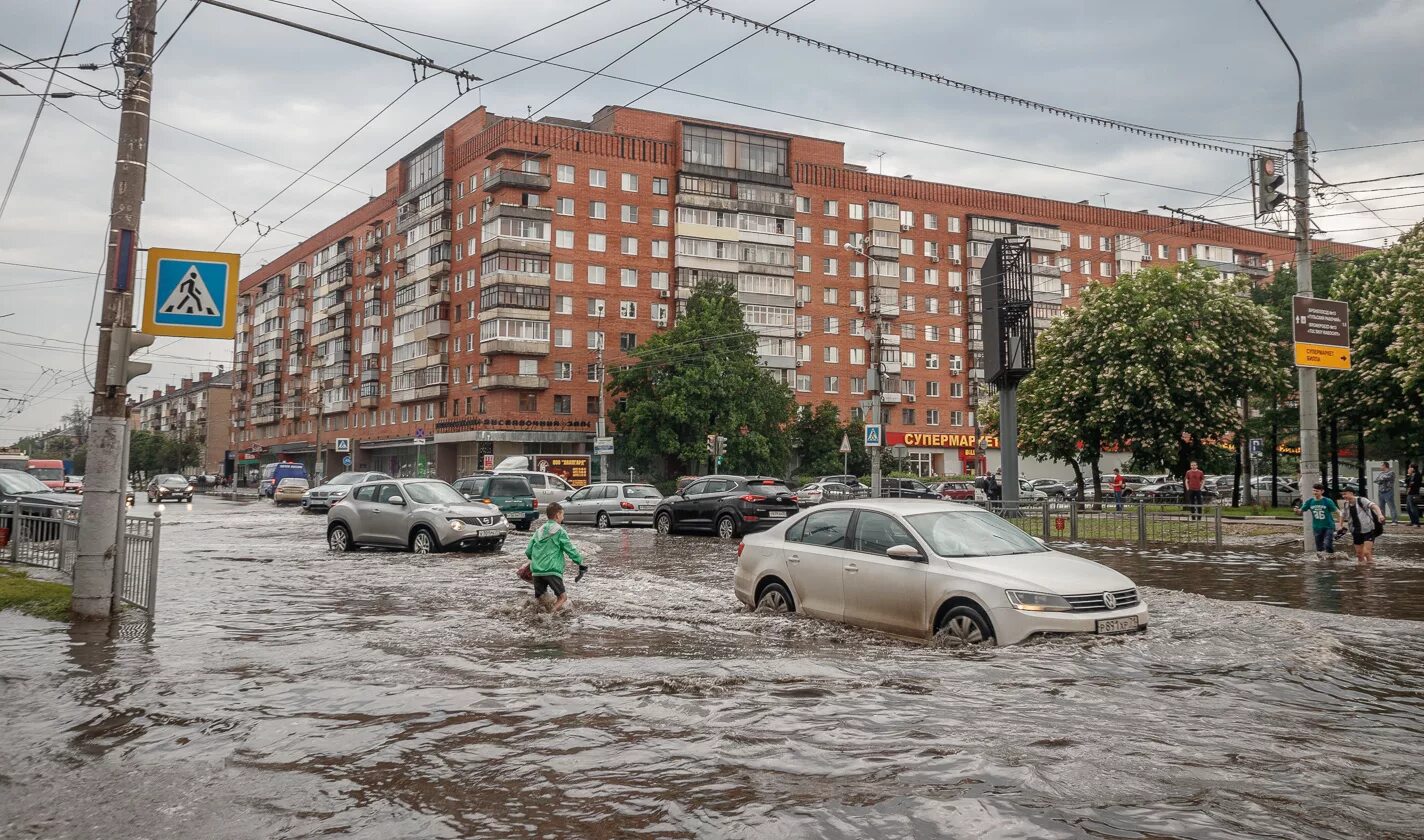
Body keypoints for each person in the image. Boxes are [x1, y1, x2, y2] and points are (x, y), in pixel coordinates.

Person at [524, 502, 587, 612]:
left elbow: (528, 551)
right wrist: (580, 561)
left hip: (537, 572)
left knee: (540, 600)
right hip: (552, 570)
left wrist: (536, 561)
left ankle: (538, 616)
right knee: (562, 597)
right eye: (562, 515)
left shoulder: (539, 530)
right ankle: (550, 614)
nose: (563, 517)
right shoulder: (560, 531)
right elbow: (570, 549)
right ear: (557, 515)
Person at [1339, 487, 1385, 562]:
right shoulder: (1346, 504)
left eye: (1345, 494)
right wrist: (1340, 526)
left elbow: (1374, 506)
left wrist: (1380, 515)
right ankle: (1361, 568)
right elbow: (1342, 514)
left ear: (1351, 493)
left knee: (1367, 552)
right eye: (1342, 494)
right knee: (1359, 554)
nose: (1343, 496)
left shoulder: (1361, 500)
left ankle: (1370, 567)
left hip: (1368, 530)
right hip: (1355, 531)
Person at [1298, 483, 1339, 557]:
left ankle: (1331, 558)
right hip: (1317, 527)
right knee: (1319, 548)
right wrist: (1297, 511)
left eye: (1317, 491)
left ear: (1322, 491)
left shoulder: (1327, 501)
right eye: (1314, 490)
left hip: (1329, 526)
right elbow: (1300, 512)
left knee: (1327, 544)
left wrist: (1340, 522)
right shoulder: (1310, 501)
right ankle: (1322, 561)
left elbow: (1337, 511)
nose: (1315, 492)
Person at [1406, 464, 1422, 528]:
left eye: (1409, 468)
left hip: (1414, 493)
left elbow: (1415, 484)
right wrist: (1408, 475)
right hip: (1409, 493)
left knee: (1413, 508)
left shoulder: (1417, 475)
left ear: (1413, 468)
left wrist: (1411, 485)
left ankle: (1417, 522)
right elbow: (1407, 482)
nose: (1408, 469)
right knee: (1408, 508)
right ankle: (1412, 521)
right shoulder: (1411, 475)